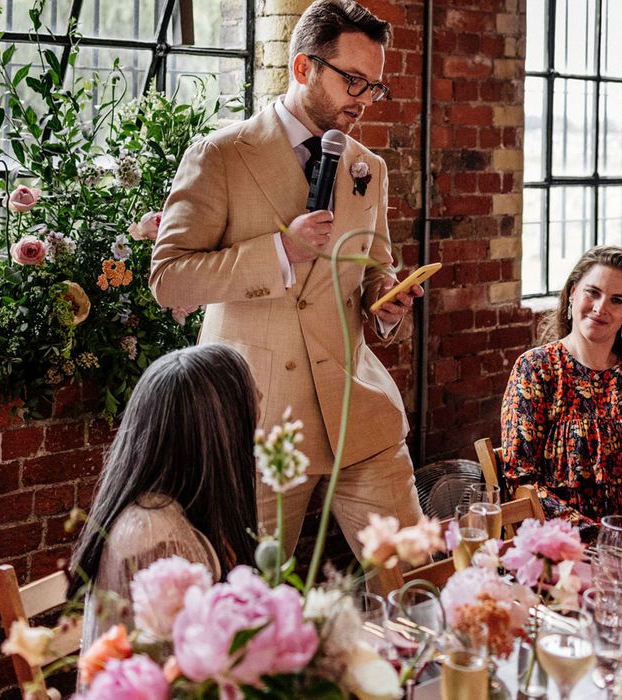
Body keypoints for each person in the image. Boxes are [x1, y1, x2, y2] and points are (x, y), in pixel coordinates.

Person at [149, 0, 424, 575]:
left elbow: (375, 266)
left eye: (374, 87)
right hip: (259, 421)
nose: (363, 99)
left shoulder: (367, 165)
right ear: (303, 68)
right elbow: (169, 276)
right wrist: (280, 251)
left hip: (359, 412)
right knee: (254, 606)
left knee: (420, 581)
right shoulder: (220, 155)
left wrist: (389, 302)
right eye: (353, 80)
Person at [69, 344, 258, 646]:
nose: (260, 410)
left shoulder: (177, 511)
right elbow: (188, 675)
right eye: (249, 407)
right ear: (216, 434)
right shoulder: (158, 540)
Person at [501, 245, 622, 534]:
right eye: (593, 292)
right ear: (573, 292)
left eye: (617, 300)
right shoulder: (536, 369)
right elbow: (521, 483)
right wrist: (600, 537)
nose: (601, 307)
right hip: (570, 553)